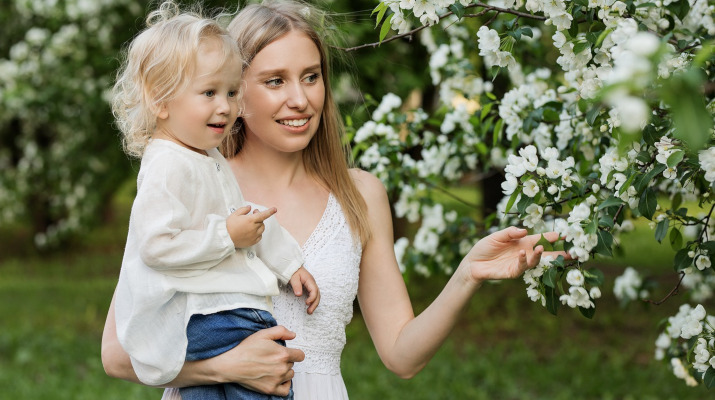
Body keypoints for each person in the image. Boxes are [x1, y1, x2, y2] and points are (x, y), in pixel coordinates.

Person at [102, 1, 567, 398]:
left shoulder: (360, 194)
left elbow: (402, 355)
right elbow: (118, 354)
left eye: (311, 76)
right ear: (234, 89)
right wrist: (223, 369)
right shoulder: (190, 179)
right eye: (275, 81)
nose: (301, 99)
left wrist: (468, 274)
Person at [109, 2, 319, 399]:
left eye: (230, 92)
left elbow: (246, 219)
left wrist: (289, 262)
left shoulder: (204, 156)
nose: (225, 106)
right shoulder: (167, 165)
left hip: (207, 314)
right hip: (200, 315)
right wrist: (225, 235)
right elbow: (156, 245)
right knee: (269, 365)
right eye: (208, 92)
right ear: (160, 100)